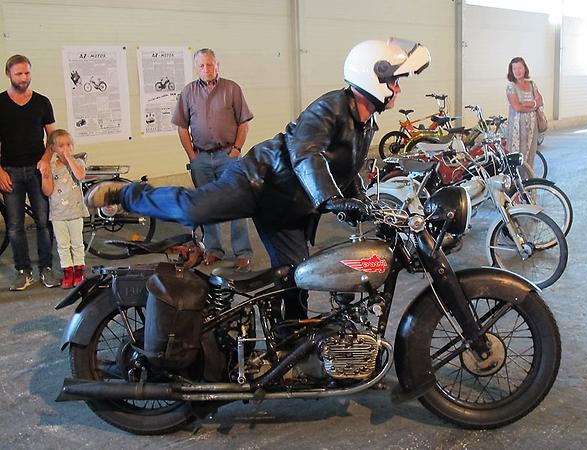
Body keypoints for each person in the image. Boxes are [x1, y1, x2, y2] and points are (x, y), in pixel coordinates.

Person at [86, 38, 431, 320]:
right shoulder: (330, 108)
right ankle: (127, 194)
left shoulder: (365, 122)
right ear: (373, 78)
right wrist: (329, 199)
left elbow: (344, 169)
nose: (397, 90)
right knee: (194, 209)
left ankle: (289, 344)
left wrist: (362, 203)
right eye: (393, 82)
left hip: (287, 209)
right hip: (258, 181)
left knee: (297, 277)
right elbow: (306, 153)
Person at [172, 48, 254, 271]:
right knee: (208, 206)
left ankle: (243, 252)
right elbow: (181, 126)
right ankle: (214, 250)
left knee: (237, 204)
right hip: (201, 158)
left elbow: (243, 122)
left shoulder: (232, 89)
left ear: (218, 65)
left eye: (210, 65)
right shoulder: (188, 92)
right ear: (196, 68)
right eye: (201, 65)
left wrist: (236, 150)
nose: (206, 69)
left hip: (228, 156)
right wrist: (192, 155)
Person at [0, 54, 60, 291]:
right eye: (18, 74)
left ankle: (46, 268)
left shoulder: (42, 102)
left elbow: (53, 137)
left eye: (27, 73)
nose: (24, 78)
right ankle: (22, 270)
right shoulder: (1, 103)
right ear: (8, 74)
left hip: (38, 172)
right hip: (10, 172)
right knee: (14, 226)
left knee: (44, 222)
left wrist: (46, 159)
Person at [41, 129, 89, 289]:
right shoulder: (52, 166)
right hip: (58, 214)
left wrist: (69, 158)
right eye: (61, 146)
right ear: (53, 149)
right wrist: (44, 175)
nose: (66, 148)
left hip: (75, 212)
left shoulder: (78, 163)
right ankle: (67, 272)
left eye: (69, 145)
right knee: (63, 244)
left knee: (77, 243)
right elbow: (47, 191)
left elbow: (80, 176)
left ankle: (79, 272)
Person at [506, 56, 544, 171]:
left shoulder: (532, 84)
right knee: (518, 155)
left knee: (530, 155)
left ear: (525, 69)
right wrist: (533, 104)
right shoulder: (511, 87)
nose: (518, 71)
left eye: (520, 68)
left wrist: (526, 104)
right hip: (517, 129)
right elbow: (517, 107)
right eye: (515, 69)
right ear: (511, 71)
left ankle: (529, 185)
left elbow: (540, 100)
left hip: (532, 127)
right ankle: (518, 185)